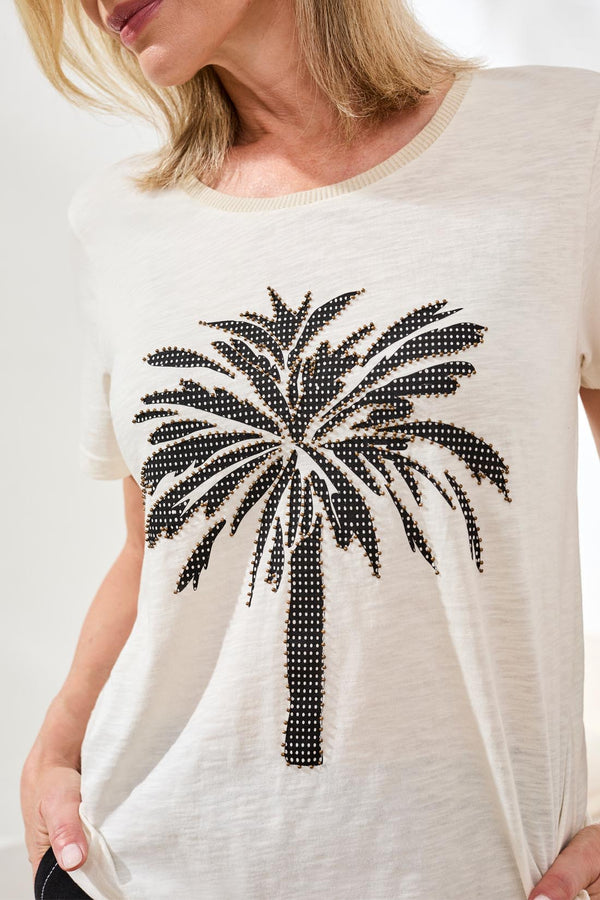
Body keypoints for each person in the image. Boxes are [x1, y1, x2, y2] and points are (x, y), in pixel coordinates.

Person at [14, 0, 600, 897]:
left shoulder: (564, 142)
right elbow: (149, 551)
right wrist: (55, 745)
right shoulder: (118, 222)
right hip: (134, 866)